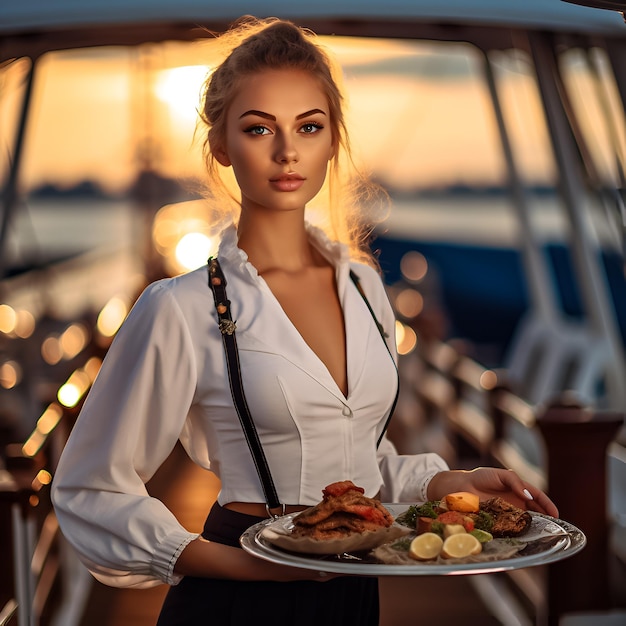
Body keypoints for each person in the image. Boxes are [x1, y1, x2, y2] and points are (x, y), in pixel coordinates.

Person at [51, 17, 558, 626]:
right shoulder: (180, 307)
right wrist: (248, 566)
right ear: (221, 146)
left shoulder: (366, 287)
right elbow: (89, 488)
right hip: (238, 594)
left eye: (309, 127)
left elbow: (356, 467)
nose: (287, 151)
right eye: (258, 128)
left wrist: (456, 480)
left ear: (332, 141)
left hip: (353, 590)